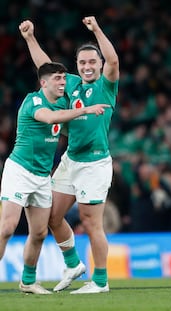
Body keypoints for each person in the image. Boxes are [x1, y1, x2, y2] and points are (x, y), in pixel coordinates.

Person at [19, 16, 119, 294]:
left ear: (99, 65)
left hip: (95, 163)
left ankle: (100, 281)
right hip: (70, 160)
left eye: (92, 62)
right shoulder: (71, 84)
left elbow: (114, 62)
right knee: (51, 216)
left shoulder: (107, 86)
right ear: (77, 66)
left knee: (90, 221)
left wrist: (97, 29)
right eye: (82, 63)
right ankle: (73, 264)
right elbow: (45, 67)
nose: (87, 67)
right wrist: (30, 38)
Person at [0, 62, 108, 294]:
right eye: (57, 79)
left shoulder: (62, 104)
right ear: (44, 83)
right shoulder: (34, 101)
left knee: (39, 233)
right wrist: (85, 110)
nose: (62, 82)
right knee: (7, 228)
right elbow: (50, 118)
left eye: (63, 78)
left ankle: (28, 281)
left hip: (41, 177)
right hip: (19, 171)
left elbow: (67, 126)